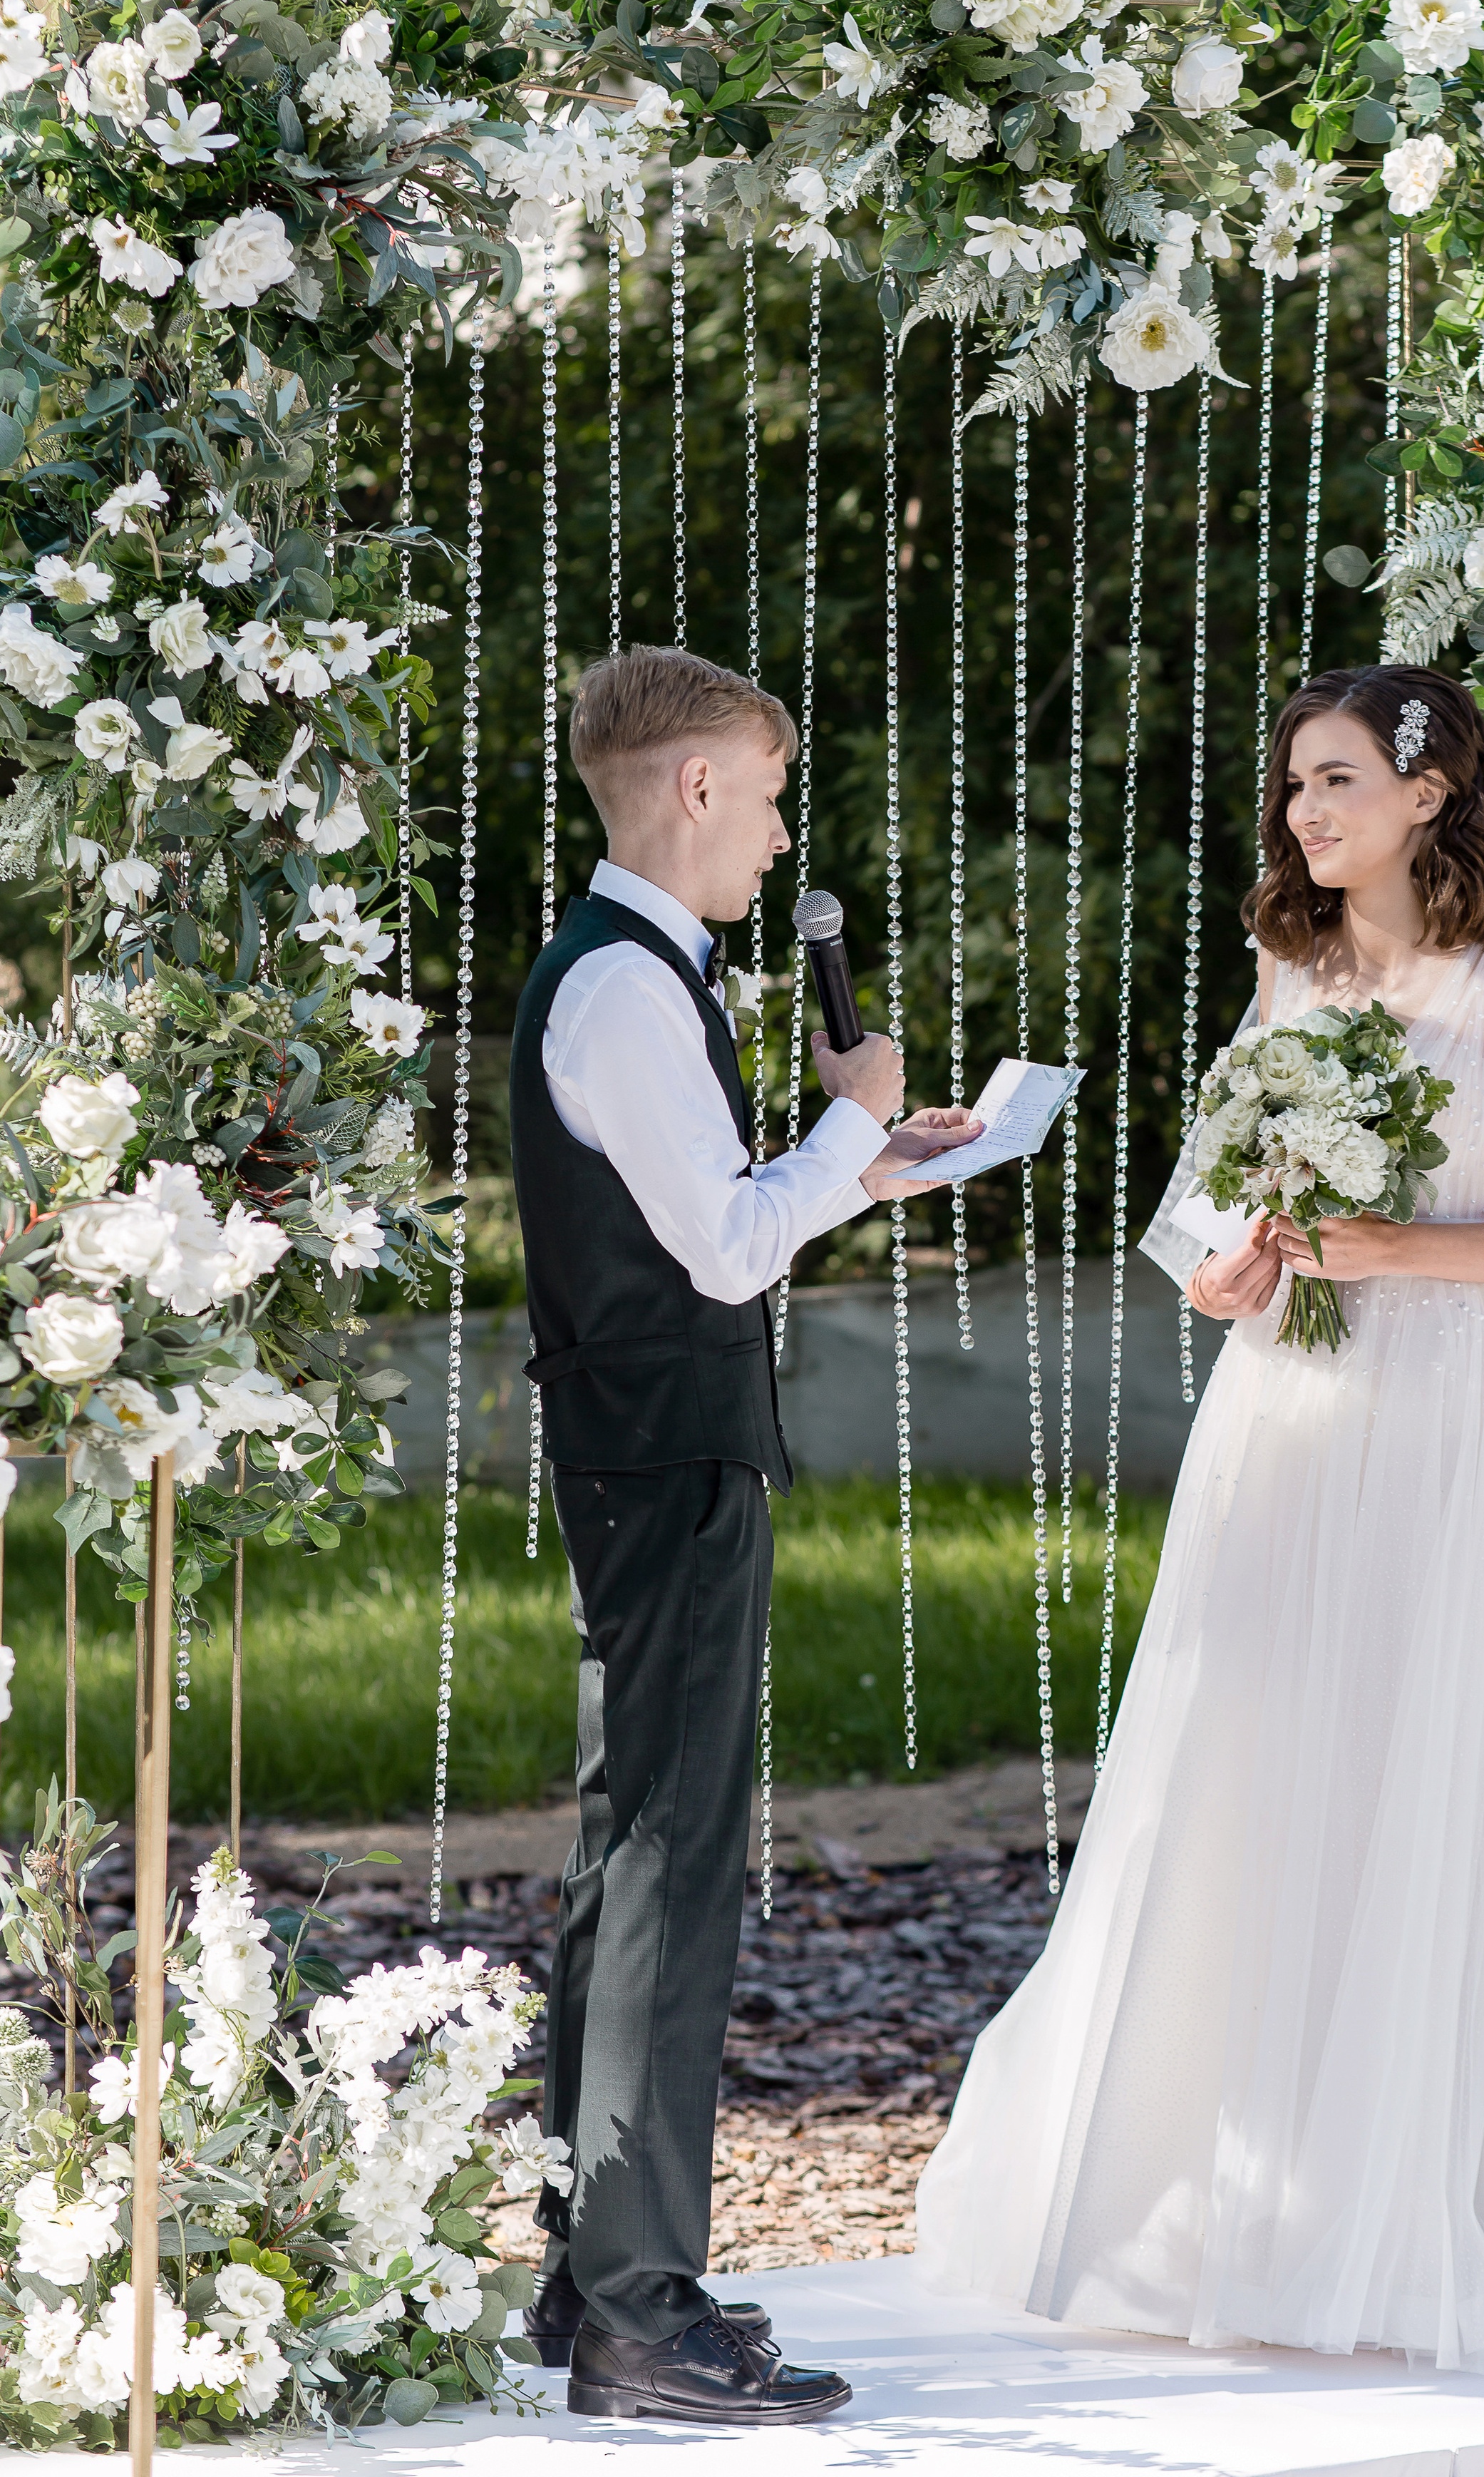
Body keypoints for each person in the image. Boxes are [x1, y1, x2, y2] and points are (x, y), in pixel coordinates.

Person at [918, 662, 1484, 2367]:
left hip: (1432, 1417)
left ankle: (1380, 2205)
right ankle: (1210, 2199)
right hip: (1282, 1414)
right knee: (1245, 1766)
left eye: (1333, 780)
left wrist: (1399, 1252)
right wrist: (1231, 1270)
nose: (1303, 812)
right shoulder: (1290, 959)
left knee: (1397, 1768)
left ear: (1424, 792)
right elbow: (1203, 1218)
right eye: (1291, 787)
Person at [511, 644, 977, 2425]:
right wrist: (846, 1124)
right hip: (666, 1464)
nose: (781, 839)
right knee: (665, 1877)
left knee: (633, 1854)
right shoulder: (622, 993)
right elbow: (716, 1248)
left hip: (658, 1455)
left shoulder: (637, 978)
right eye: (769, 799)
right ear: (695, 788)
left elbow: (714, 1217)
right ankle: (640, 2310)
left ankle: (590, 2280)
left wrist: (861, 1164)